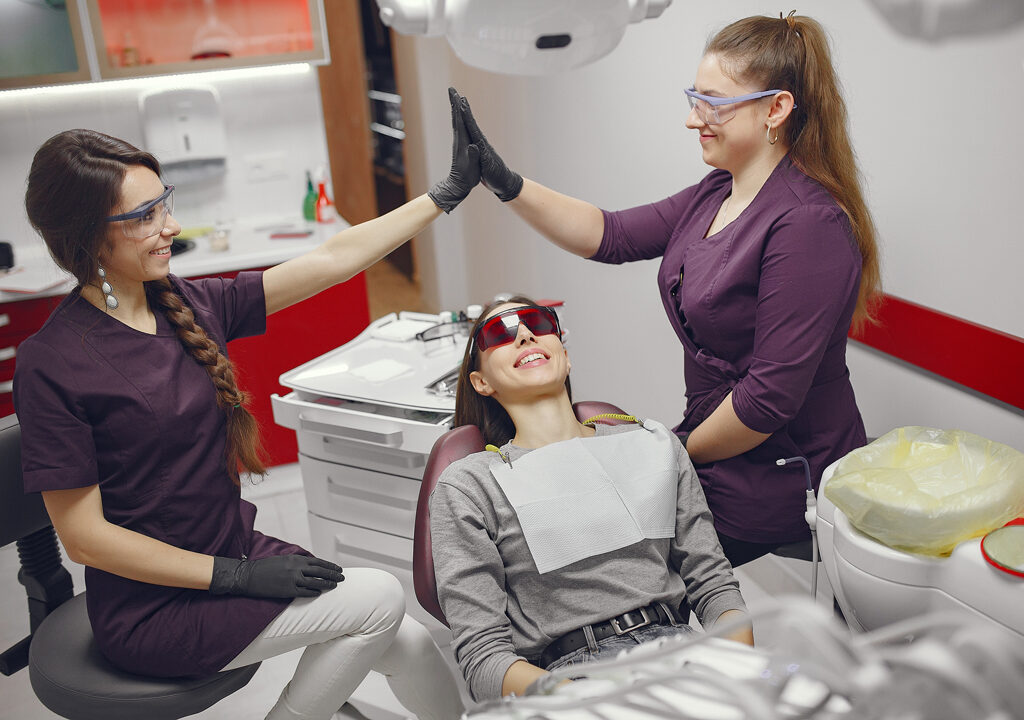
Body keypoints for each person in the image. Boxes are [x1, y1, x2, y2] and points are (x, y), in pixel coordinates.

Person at [13, 87, 477, 720]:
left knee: (411, 642)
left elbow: (332, 259)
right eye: (144, 215)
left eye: (163, 202)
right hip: (156, 604)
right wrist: (234, 579)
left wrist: (444, 196)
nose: (169, 226)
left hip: (234, 555)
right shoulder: (54, 361)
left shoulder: (185, 306)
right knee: (378, 598)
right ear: (90, 237)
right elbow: (86, 539)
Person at [454, 13, 880, 567]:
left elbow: (767, 400)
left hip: (779, 468)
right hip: (714, 449)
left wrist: (669, 452)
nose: (692, 119)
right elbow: (609, 234)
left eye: (714, 103)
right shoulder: (717, 191)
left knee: (620, 567)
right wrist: (502, 181)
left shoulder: (808, 225)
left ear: (776, 108)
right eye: (694, 98)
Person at [429, 297, 753, 703]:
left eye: (537, 323)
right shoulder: (472, 484)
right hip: (574, 681)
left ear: (564, 355)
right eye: (500, 331)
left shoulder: (651, 444)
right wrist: (584, 702)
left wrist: (735, 665)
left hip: (684, 654)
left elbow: (713, 582)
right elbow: (483, 657)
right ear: (481, 382)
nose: (525, 334)